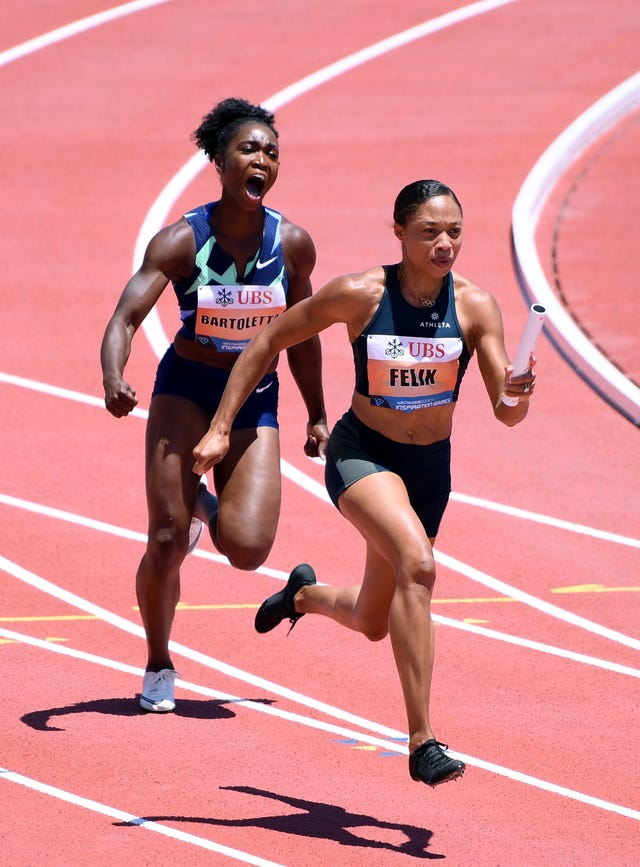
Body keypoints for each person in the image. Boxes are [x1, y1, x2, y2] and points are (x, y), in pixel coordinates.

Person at [192, 179, 537, 787]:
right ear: (399, 232)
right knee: (418, 564)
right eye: (429, 231)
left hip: (430, 473)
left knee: (376, 619)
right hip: (362, 457)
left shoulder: (476, 308)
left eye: (454, 230)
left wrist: (517, 393)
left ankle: (302, 595)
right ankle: (422, 741)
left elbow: (507, 414)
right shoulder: (360, 295)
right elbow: (270, 337)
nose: (444, 243)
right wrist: (222, 427)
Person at [100, 97, 329, 713]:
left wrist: (316, 413)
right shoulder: (181, 241)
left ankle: (202, 502)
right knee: (168, 539)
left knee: (249, 549)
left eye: (272, 152)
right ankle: (158, 664)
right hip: (187, 390)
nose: (263, 159)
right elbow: (125, 317)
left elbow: (302, 336)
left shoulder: (293, 244)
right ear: (220, 162)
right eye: (249, 149)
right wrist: (114, 375)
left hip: (255, 398)